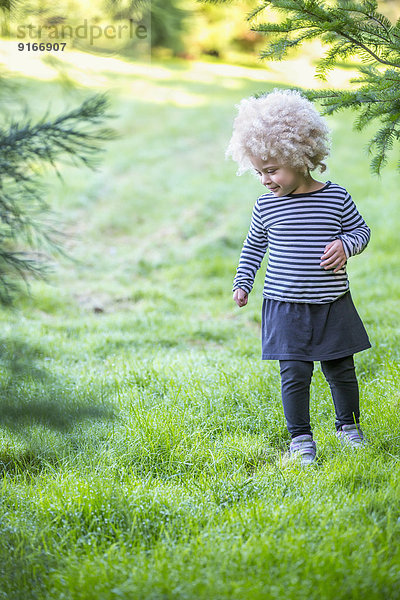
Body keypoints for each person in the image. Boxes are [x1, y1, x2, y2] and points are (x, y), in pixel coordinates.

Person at [227, 89, 371, 465]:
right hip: (284, 306)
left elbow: (361, 231)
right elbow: (253, 247)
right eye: (258, 171)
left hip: (331, 303)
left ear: (299, 156)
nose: (264, 180)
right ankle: (301, 439)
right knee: (294, 374)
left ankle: (349, 428)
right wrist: (243, 282)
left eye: (271, 170)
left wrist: (346, 244)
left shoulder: (335, 198)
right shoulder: (266, 206)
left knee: (341, 370)